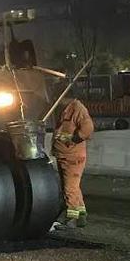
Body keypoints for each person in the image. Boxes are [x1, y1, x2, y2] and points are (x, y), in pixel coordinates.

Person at [52, 95, 95, 228]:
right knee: (74, 188)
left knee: (69, 189)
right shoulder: (65, 108)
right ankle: (81, 215)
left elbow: (88, 129)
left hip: (72, 156)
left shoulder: (77, 109)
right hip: (65, 155)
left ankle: (71, 218)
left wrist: (73, 139)